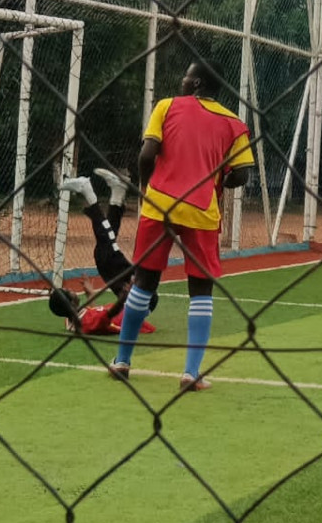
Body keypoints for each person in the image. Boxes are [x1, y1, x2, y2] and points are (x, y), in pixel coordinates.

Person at [109, 60, 254, 392]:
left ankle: (122, 361)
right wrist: (219, 179)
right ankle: (191, 373)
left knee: (144, 281)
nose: (182, 81)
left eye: (186, 77)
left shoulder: (166, 106)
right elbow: (242, 175)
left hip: (159, 205)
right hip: (202, 210)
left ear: (198, 84)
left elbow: (147, 156)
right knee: (200, 289)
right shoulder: (235, 125)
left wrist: (147, 189)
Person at [49, 169, 156, 336]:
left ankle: (117, 196)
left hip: (132, 301)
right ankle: (90, 194)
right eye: (69, 293)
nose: (72, 290)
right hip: (140, 302)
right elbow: (110, 314)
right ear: (70, 304)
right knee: (105, 255)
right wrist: (125, 296)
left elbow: (93, 311)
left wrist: (90, 293)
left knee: (106, 248)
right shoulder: (87, 323)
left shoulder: (72, 319)